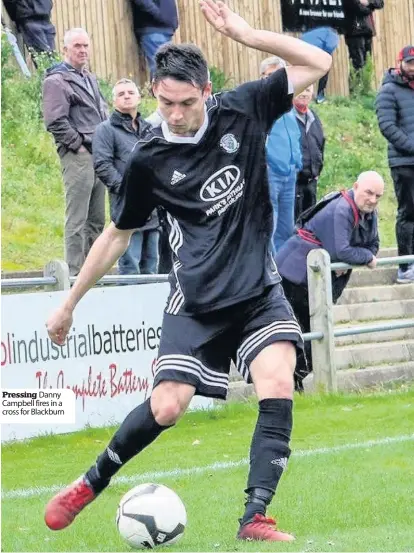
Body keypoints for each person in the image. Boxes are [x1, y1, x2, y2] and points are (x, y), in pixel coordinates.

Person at [44, 0, 331, 542]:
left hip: (255, 290)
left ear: (205, 91)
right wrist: (69, 302)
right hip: (194, 300)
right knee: (168, 406)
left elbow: (317, 61)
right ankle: (89, 483)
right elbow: (115, 235)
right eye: (164, 102)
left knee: (277, 381)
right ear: (154, 92)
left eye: (185, 103)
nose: (174, 114)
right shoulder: (147, 159)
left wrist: (248, 35)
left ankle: (254, 519)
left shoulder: (243, 108)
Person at [276, 171, 384, 391]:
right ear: (355, 186)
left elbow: (374, 245)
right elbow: (342, 251)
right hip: (294, 275)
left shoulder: (369, 212)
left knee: (315, 335)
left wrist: (363, 255)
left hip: (315, 278)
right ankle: (287, 383)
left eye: (378, 196)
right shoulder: (341, 209)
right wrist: (366, 258)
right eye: (369, 193)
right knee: (301, 334)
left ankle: (292, 382)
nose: (373, 200)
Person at [42, 28, 108, 276]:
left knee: (97, 220)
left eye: (86, 46)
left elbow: (102, 112)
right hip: (78, 155)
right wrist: (78, 144)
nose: (83, 50)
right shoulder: (55, 81)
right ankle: (73, 274)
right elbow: (55, 121)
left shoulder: (89, 78)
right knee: (77, 219)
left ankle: (92, 274)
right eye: (77, 46)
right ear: (65, 49)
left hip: (99, 153)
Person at [93, 79, 160, 275]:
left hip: (154, 211)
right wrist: (127, 190)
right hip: (126, 209)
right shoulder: (105, 130)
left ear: (139, 98)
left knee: (152, 268)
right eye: (121, 94)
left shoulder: (150, 129)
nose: (127, 96)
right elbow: (102, 165)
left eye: (130, 92)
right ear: (114, 102)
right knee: (130, 266)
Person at [375, 45, 414, 284]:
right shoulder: (388, 90)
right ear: (399, 63)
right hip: (403, 162)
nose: (413, 67)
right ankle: (404, 265)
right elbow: (387, 127)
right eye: (410, 62)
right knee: (408, 213)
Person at [260, 56, 302, 253]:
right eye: (269, 76)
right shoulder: (259, 102)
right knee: (270, 225)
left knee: (286, 228)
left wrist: (297, 162)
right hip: (270, 172)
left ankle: (284, 275)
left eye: (278, 75)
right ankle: (271, 274)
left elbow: (293, 134)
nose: (274, 80)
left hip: (289, 172)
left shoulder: (289, 103)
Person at [293, 84, 325, 219]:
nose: (304, 93)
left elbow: (321, 144)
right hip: (292, 185)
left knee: (308, 226)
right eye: (301, 89)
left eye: (308, 90)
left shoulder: (314, 118)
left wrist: (318, 170)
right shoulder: (284, 117)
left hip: (311, 184)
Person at [130, 0, 178, 79]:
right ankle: (159, 91)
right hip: (153, 29)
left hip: (163, 29)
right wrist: (158, 15)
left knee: (166, 67)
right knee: (160, 68)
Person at [343, 0, 384, 80]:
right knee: (357, 64)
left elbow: (380, 3)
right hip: (354, 31)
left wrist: (368, 2)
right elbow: (359, 9)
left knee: (367, 63)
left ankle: (365, 90)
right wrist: (371, 7)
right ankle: (355, 91)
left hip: (368, 30)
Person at [300, 26, 339, 104]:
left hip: (301, 49)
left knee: (304, 74)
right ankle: (320, 97)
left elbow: (303, 37)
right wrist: (327, 58)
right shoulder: (333, 35)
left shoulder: (319, 31)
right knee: (325, 70)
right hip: (313, 51)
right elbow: (329, 46)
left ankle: (301, 95)